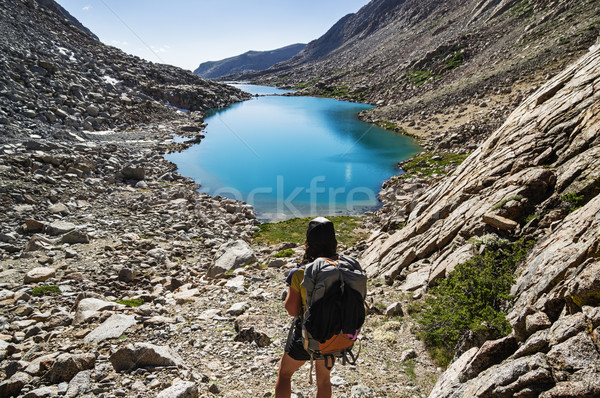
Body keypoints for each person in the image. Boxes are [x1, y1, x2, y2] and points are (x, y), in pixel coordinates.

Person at [275, 217, 346, 398]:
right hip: (335, 332)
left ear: (308, 243)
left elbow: (292, 310)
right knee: (323, 380)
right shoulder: (344, 268)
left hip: (306, 334)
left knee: (285, 374)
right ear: (334, 242)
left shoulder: (300, 273)